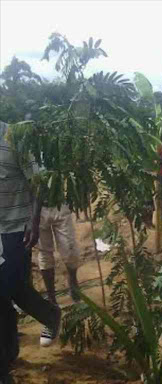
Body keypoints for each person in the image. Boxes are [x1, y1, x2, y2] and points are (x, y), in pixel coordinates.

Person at [0, 121, 61, 384]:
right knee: (12, 291)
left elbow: (39, 181)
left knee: (3, 293)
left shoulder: (14, 139)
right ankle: (48, 315)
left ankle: (3, 369)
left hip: (16, 230)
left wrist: (34, 223)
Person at [38, 204, 81, 305]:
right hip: (37, 209)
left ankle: (73, 282)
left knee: (69, 249)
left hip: (59, 204)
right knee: (44, 253)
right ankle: (51, 297)